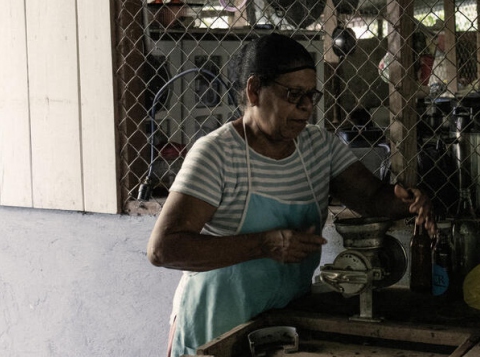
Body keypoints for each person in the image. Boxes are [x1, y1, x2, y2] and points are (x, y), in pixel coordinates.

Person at [147, 33, 434, 357]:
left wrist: (407, 201)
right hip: (215, 332)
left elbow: (371, 198)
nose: (306, 107)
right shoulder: (217, 153)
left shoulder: (319, 147)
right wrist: (265, 244)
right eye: (294, 94)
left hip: (284, 328)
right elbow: (164, 248)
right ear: (254, 90)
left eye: (312, 95)